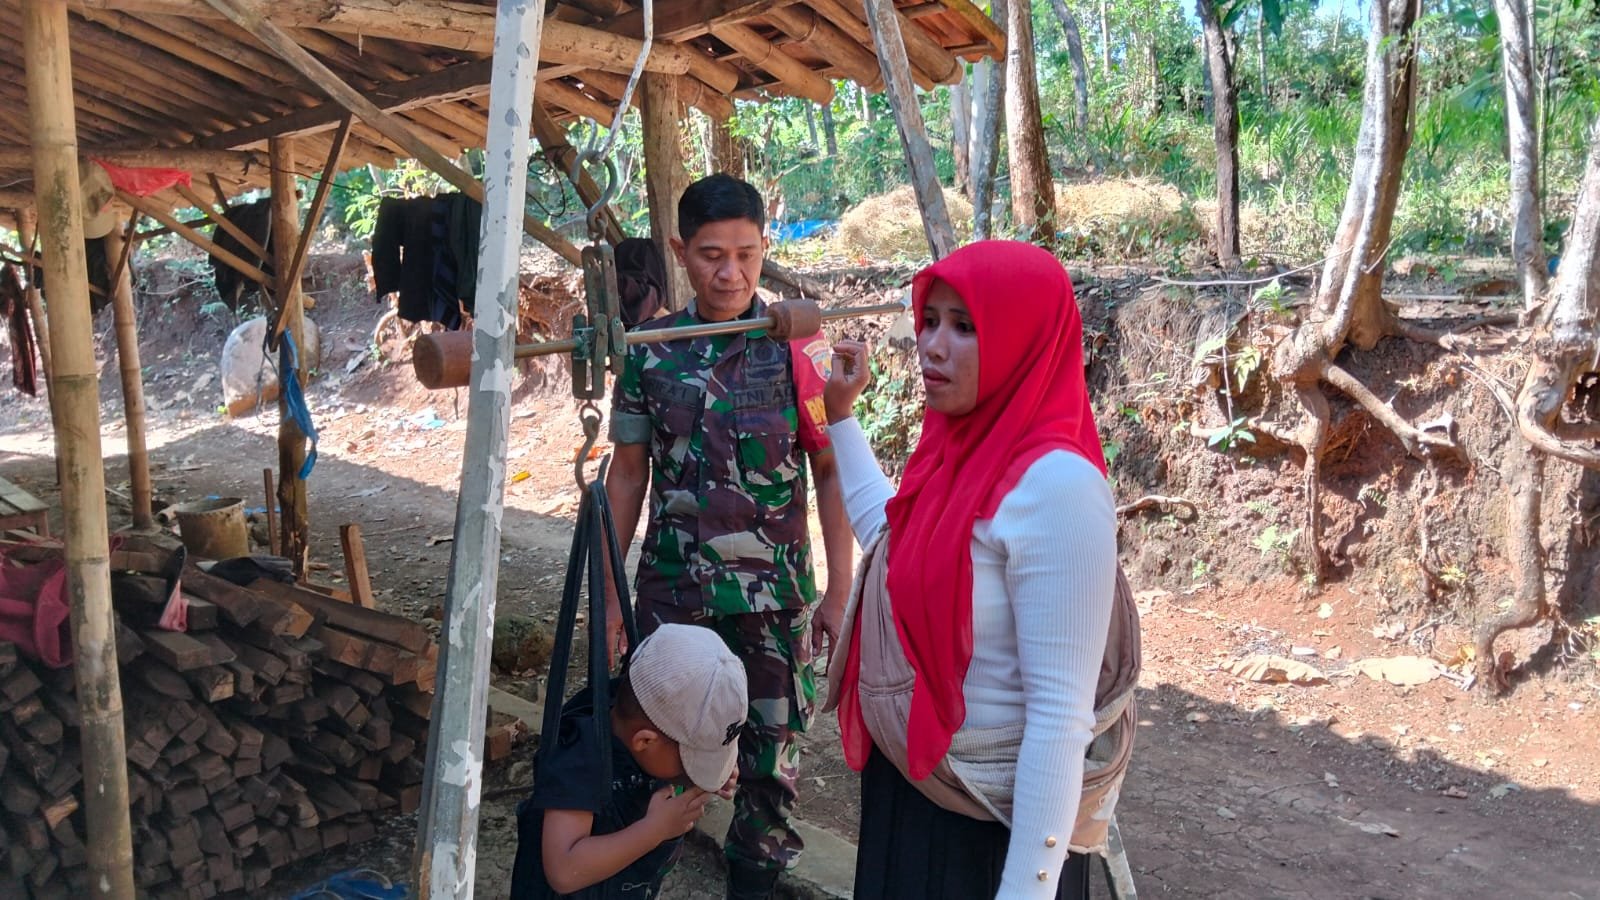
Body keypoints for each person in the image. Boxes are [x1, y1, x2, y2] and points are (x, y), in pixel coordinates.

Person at [820, 240, 1141, 899]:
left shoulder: (1058, 489)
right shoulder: (956, 451)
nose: (933, 345)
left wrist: (1025, 890)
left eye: (965, 326)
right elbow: (890, 540)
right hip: (914, 801)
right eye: (930, 319)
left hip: (990, 836)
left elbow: (1059, 719)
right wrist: (842, 416)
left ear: (1023, 340)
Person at [603, 173, 854, 899]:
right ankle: (635, 874)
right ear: (681, 251)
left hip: (774, 600)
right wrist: (613, 592)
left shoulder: (793, 354)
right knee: (655, 747)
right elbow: (626, 477)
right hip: (674, 592)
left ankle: (752, 883)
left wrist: (837, 589)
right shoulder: (651, 350)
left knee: (770, 764)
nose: (730, 271)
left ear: (763, 247)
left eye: (746, 253)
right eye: (712, 253)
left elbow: (831, 474)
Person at [511, 624, 748, 899]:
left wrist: (711, 772)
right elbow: (564, 870)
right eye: (690, 762)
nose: (689, 773)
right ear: (645, 741)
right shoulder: (580, 757)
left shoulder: (649, 722)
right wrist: (654, 830)